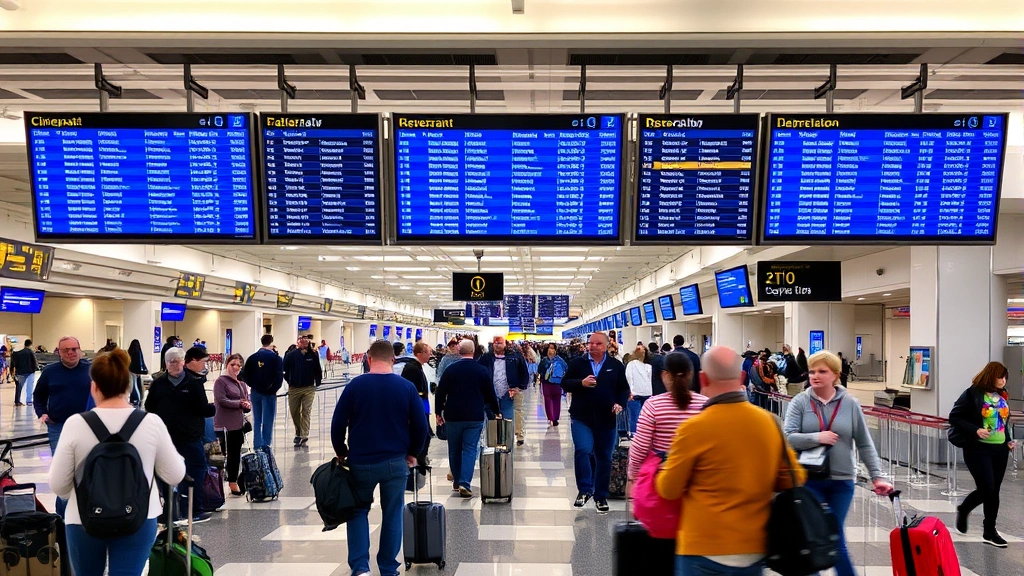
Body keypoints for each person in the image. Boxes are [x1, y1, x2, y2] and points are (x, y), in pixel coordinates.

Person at [657, 346, 807, 576]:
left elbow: (669, 489)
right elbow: (794, 477)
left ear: (703, 378)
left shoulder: (692, 429)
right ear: (741, 377)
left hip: (702, 548)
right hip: (753, 547)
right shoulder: (769, 422)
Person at [48, 348, 186, 576]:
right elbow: (174, 475)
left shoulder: (75, 424)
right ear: (129, 386)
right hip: (139, 517)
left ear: (94, 386)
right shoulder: (151, 423)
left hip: (83, 518)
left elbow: (58, 485)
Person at [784, 350, 893, 575]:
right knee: (811, 535)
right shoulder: (800, 402)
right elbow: (788, 437)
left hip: (841, 481)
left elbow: (864, 443)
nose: (815, 376)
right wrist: (816, 437)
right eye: (812, 371)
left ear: (835, 374)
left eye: (822, 371)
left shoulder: (850, 404)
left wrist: (877, 476)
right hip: (809, 480)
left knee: (835, 535)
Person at [331, 340, 429, 576]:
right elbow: (421, 426)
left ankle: (361, 568)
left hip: (360, 462)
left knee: (357, 511)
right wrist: (413, 453)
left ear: (368, 358)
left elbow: (337, 423)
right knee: (393, 513)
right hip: (395, 463)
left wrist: (341, 451)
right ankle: (388, 567)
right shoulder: (405, 387)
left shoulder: (356, 386)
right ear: (393, 360)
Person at [145, 346, 216, 523]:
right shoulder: (158, 384)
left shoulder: (194, 383)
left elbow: (202, 408)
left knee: (195, 470)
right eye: (171, 362)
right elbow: (150, 407)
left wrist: (212, 409)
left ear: (184, 362)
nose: (175, 365)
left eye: (178, 361)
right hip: (166, 438)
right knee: (165, 472)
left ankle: (193, 508)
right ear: (166, 364)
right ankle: (168, 511)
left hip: (190, 436)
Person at [561, 332, 629, 514]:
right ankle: (584, 489)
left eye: (598, 344)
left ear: (606, 345)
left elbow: (623, 389)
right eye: (590, 343)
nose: (593, 346)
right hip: (581, 417)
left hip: (606, 419)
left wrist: (619, 404)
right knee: (583, 450)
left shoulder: (615, 366)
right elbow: (565, 383)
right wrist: (580, 383)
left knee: (604, 458)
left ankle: (601, 495)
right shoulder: (578, 363)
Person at [949, 361, 1015, 547]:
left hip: (1000, 449)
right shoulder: (973, 394)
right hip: (977, 449)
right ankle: (964, 509)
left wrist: (1008, 439)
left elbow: (1002, 422)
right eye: (999, 376)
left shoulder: (1002, 395)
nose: (1003, 380)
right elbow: (954, 417)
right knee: (986, 488)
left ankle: (989, 531)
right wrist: (975, 430)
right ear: (990, 375)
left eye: (1005, 377)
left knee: (994, 492)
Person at [626, 352, 707, 496]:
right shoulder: (705, 404)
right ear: (690, 374)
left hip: (662, 481)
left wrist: (634, 476)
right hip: (697, 482)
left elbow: (641, 446)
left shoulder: (653, 405)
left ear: (664, 375)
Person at [35, 335, 92, 517]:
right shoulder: (50, 372)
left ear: (79, 350)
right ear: (58, 352)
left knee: (85, 469)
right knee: (64, 470)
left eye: (74, 349)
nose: (70, 353)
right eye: (65, 350)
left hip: (87, 427)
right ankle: (63, 515)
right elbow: (39, 395)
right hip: (58, 427)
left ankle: (83, 510)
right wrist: (42, 412)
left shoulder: (90, 370)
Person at [434, 339, 500, 497]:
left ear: (459, 351)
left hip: (453, 415)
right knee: (470, 449)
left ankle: (456, 481)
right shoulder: (481, 370)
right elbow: (490, 394)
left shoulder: (451, 370)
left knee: (454, 449)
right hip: (474, 416)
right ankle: (465, 482)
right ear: (473, 351)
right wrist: (497, 411)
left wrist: (438, 412)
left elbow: (440, 392)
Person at [478, 336, 529, 447]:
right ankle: (493, 444)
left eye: (499, 343)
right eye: (495, 343)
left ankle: (508, 444)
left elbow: (524, 374)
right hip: (491, 394)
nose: (497, 345)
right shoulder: (486, 358)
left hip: (509, 394)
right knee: (491, 420)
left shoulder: (515, 357)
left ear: (505, 344)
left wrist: (519, 387)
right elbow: (478, 371)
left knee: (508, 419)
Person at [214, 353, 251, 497]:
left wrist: (247, 405)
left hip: (237, 424)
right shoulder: (220, 382)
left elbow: (246, 400)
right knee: (220, 456)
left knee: (235, 454)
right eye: (233, 364)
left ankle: (233, 482)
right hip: (223, 424)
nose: (236, 367)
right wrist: (239, 403)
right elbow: (222, 400)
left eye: (239, 365)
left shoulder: (241, 384)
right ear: (227, 365)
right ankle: (216, 484)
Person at [241, 334, 284, 450]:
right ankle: (266, 445)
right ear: (271, 342)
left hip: (255, 392)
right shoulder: (276, 358)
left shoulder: (252, 357)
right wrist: (273, 389)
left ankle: (257, 444)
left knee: (257, 418)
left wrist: (252, 385)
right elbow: (279, 377)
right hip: (269, 394)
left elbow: (244, 375)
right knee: (268, 419)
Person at [284, 334, 322, 447]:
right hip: (294, 388)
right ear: (298, 342)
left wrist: (317, 382)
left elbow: (317, 369)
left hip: (309, 387)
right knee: (294, 412)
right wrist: (290, 381)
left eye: (306, 341)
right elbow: (285, 370)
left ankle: (304, 435)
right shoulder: (291, 355)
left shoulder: (313, 354)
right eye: (302, 340)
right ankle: (298, 432)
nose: (304, 343)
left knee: (306, 410)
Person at [538, 343, 568, 427]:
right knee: (547, 400)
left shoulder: (560, 360)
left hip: (557, 383)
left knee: (556, 400)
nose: (550, 350)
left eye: (552, 348)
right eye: (549, 348)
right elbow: (539, 369)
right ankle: (551, 417)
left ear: (555, 350)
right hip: (546, 383)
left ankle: (555, 418)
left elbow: (566, 367)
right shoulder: (544, 360)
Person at [624, 345, 652, 436]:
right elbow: (650, 380)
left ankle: (634, 435)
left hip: (635, 393)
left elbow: (629, 378)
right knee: (645, 417)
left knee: (634, 416)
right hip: (647, 393)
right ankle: (644, 435)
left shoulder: (631, 364)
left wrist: (630, 391)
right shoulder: (648, 366)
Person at [12, 338, 38, 407]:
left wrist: (15, 371)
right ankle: (29, 401)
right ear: (30, 345)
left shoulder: (18, 353)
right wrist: (36, 368)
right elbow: (34, 361)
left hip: (20, 372)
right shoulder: (30, 352)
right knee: (29, 387)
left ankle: (17, 401)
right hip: (30, 371)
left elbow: (15, 363)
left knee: (19, 387)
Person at [126, 339, 148, 406]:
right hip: (136, 373)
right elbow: (140, 362)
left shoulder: (128, 352)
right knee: (137, 387)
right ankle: (138, 401)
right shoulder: (139, 352)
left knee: (133, 387)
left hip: (131, 372)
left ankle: (135, 400)